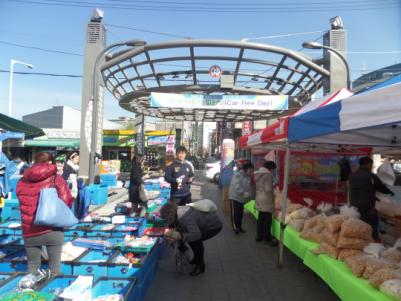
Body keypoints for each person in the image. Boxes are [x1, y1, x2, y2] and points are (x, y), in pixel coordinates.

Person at [16, 152, 72, 276]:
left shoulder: (22, 180)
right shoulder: (56, 178)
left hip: (29, 229)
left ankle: (29, 292)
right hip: (52, 228)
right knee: (54, 269)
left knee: (32, 268)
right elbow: (66, 199)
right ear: (50, 162)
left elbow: (21, 199)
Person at [160, 201, 222, 276]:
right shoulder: (177, 211)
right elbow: (181, 228)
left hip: (214, 225)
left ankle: (200, 265)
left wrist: (181, 236)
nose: (167, 222)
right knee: (190, 238)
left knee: (196, 240)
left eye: (167, 220)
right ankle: (196, 258)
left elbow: (196, 235)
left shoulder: (186, 217)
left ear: (170, 216)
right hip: (205, 223)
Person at [349, 156, 394, 241]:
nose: (371, 167)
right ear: (369, 164)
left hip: (354, 204)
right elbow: (380, 187)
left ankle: (358, 240)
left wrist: (374, 196)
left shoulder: (352, 175)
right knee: (371, 224)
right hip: (367, 205)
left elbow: (360, 189)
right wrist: (390, 192)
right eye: (371, 165)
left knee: (357, 223)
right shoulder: (370, 176)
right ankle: (372, 241)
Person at [254, 161, 277, 245]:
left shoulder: (258, 173)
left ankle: (259, 236)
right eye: (273, 169)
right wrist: (273, 185)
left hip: (259, 197)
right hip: (266, 200)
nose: (273, 171)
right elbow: (268, 189)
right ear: (270, 168)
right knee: (267, 220)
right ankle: (267, 239)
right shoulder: (268, 175)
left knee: (260, 218)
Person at [228, 162, 255, 234]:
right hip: (234, 197)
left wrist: (249, 193)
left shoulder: (248, 177)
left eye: (252, 171)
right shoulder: (238, 175)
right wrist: (244, 193)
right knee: (235, 214)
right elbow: (236, 186)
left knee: (240, 213)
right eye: (250, 170)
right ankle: (235, 228)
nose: (251, 172)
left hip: (241, 198)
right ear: (246, 169)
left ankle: (239, 227)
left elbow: (248, 187)